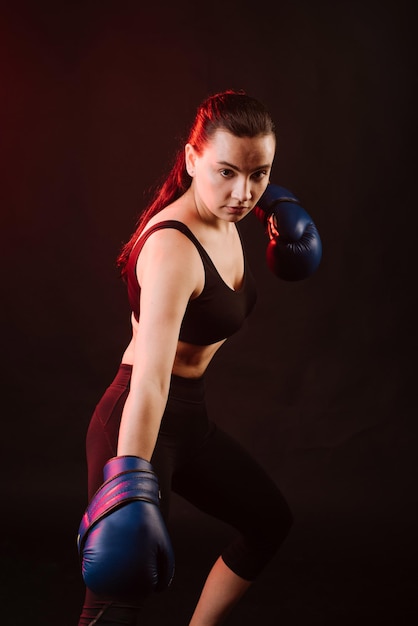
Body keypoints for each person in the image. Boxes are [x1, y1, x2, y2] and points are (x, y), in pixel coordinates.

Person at [77, 89, 322, 626]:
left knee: (268, 522)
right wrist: (129, 478)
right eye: (226, 172)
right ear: (191, 160)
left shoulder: (230, 212)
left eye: (259, 175)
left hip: (191, 419)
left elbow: (247, 191)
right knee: (118, 596)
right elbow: (149, 383)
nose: (243, 193)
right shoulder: (172, 251)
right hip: (141, 420)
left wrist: (277, 204)